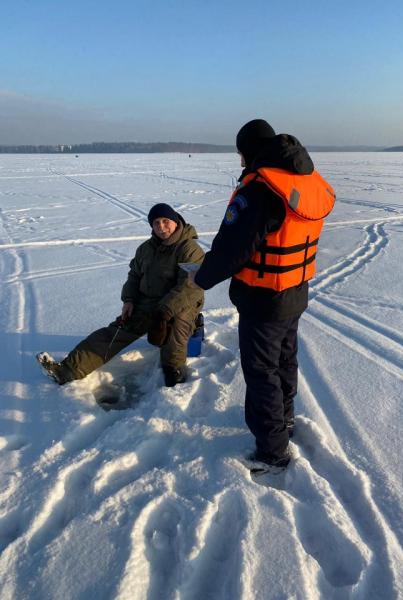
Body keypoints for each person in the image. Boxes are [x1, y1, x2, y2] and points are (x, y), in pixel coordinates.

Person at [193, 119, 335, 470]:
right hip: (295, 292)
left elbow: (232, 250)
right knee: (285, 362)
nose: (241, 162)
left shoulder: (260, 189)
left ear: (250, 151)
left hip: (263, 298)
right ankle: (283, 422)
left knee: (262, 372)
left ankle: (273, 451)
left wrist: (200, 278)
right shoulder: (301, 179)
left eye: (241, 154)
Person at [37, 203, 204, 388]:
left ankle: (174, 375)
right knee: (115, 331)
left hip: (182, 303)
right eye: (156, 223)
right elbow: (134, 276)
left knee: (176, 329)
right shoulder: (145, 249)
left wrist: (164, 311)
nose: (161, 227)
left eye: (166, 221)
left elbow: (191, 286)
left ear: (175, 221)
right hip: (148, 302)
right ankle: (67, 370)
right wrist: (129, 300)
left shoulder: (189, 249)